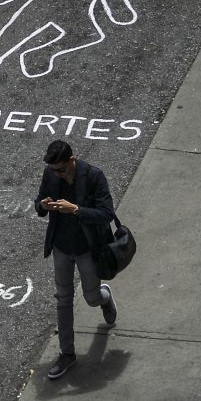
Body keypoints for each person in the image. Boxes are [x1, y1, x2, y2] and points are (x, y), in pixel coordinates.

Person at [34, 139, 118, 379]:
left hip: (87, 249)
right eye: (53, 170)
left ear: (72, 160)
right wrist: (42, 205)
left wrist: (76, 210)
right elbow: (39, 204)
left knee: (91, 298)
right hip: (61, 247)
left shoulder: (93, 176)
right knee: (63, 299)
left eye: (61, 169)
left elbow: (106, 213)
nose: (57, 175)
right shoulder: (51, 175)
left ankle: (105, 297)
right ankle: (67, 354)